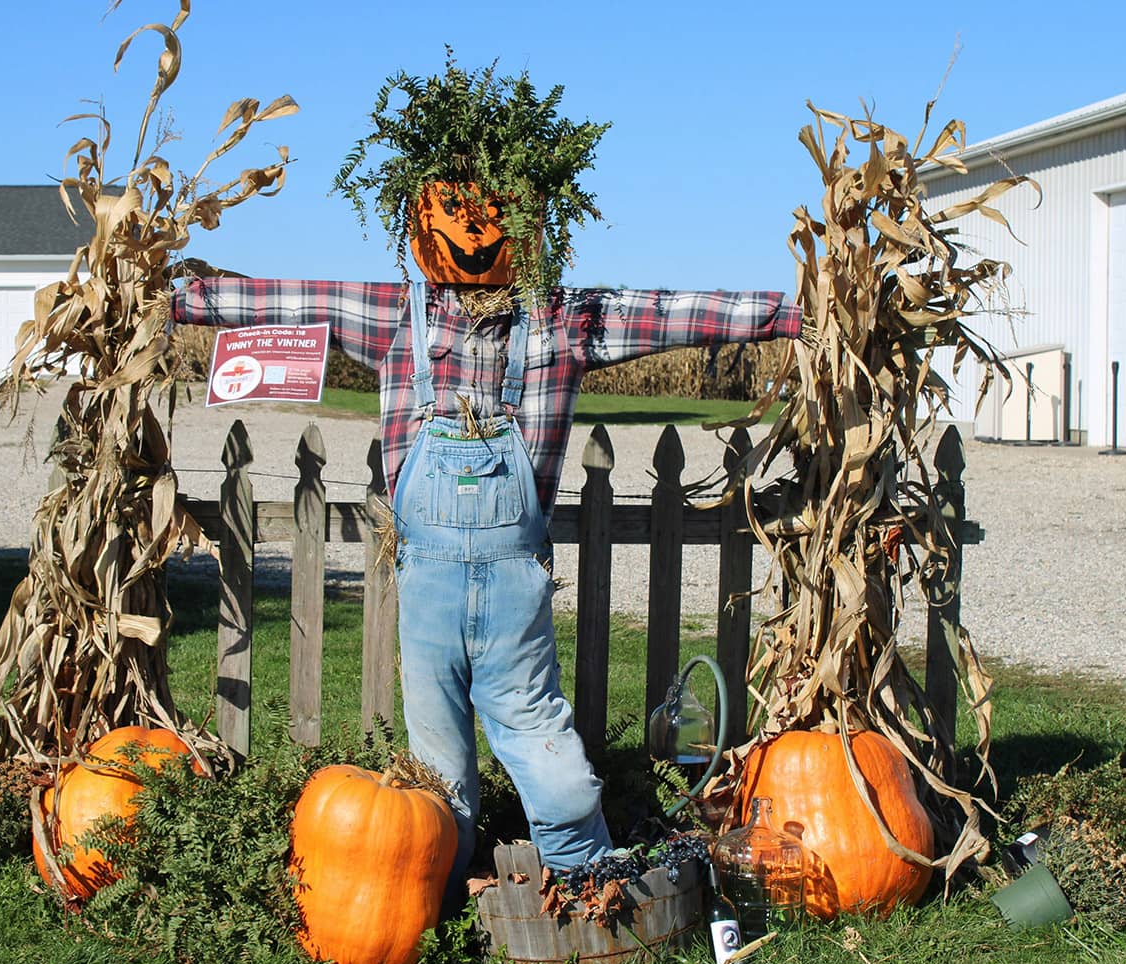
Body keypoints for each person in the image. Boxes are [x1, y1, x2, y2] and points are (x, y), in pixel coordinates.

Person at [173, 277, 799, 901]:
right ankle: (583, 879)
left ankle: (442, 885)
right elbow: (670, 310)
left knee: (452, 743)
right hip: (493, 588)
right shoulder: (542, 321)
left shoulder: (418, 318)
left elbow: (672, 312)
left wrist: (180, 299)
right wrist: (788, 315)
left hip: (455, 587)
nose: (475, 228)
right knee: (525, 729)